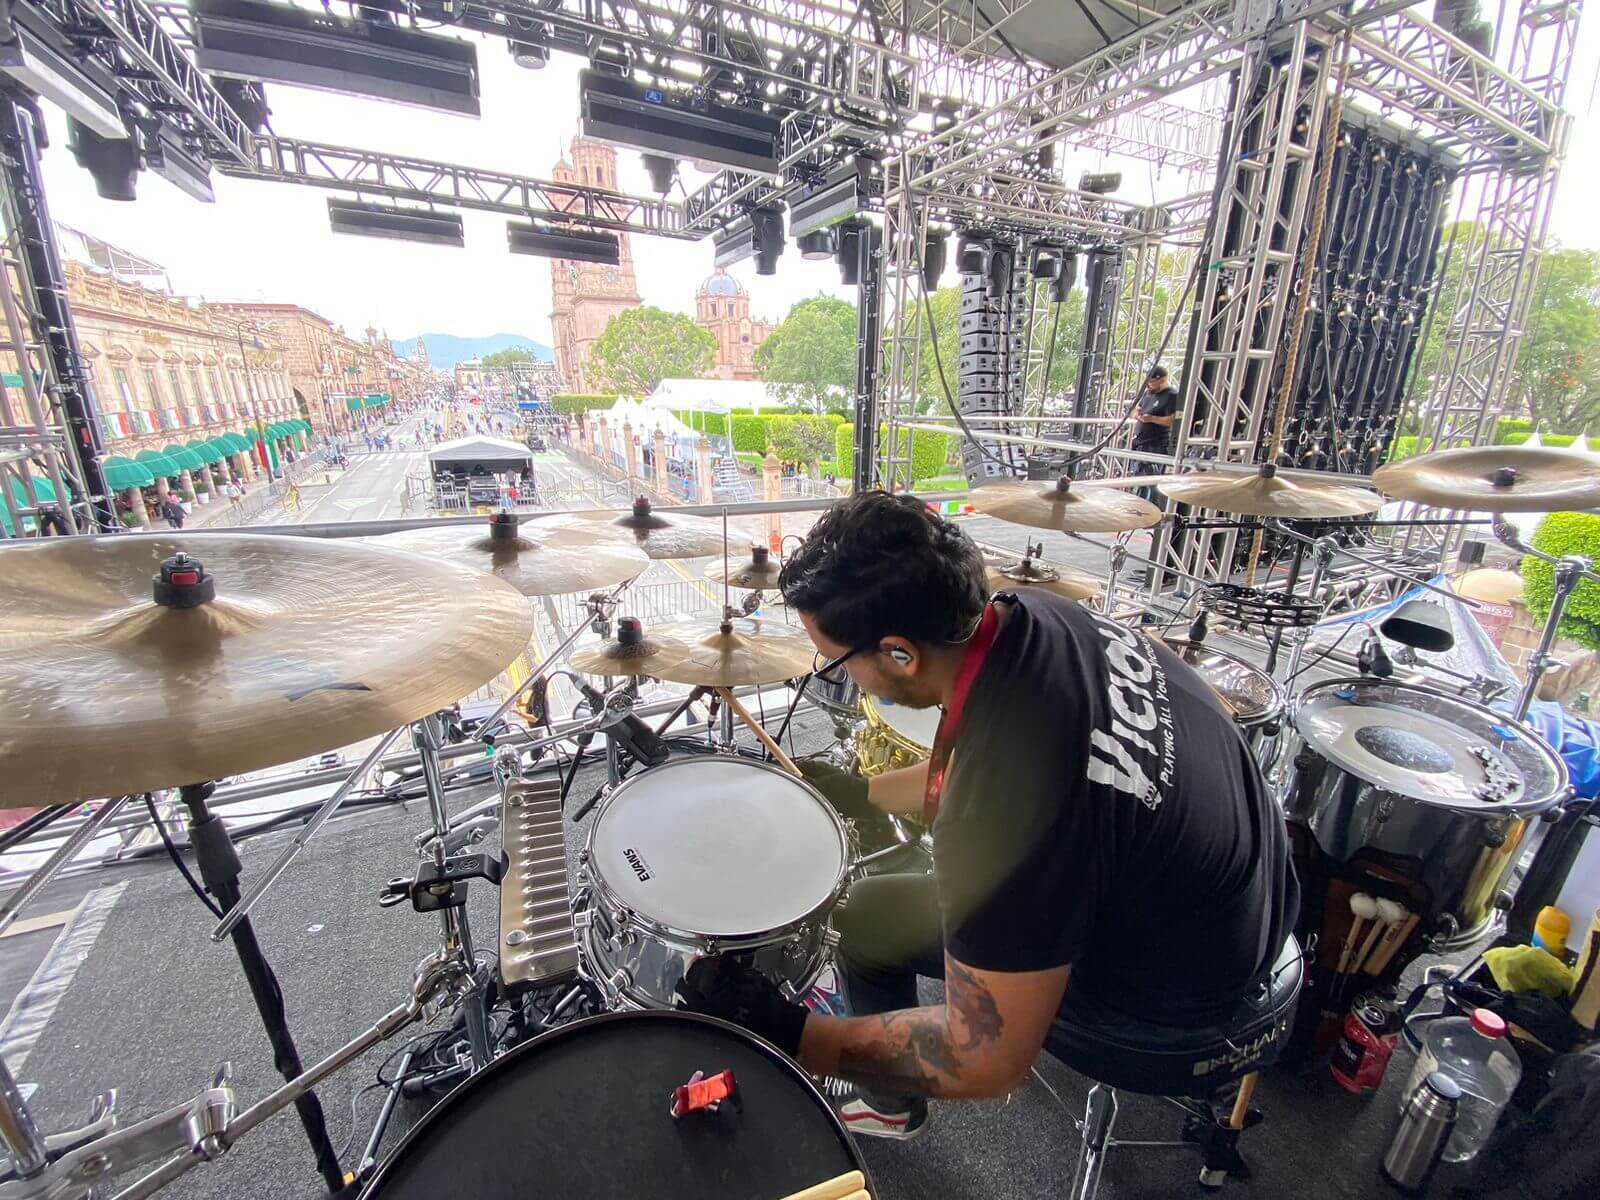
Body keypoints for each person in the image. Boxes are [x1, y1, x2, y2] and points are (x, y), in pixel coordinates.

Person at [676, 492, 1297, 1138]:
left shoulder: (999, 805)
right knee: (869, 913)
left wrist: (791, 1031)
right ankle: (890, 1102)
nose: (843, 678)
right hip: (1246, 899)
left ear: (898, 654)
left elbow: (986, 1058)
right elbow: (982, 773)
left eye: (836, 662)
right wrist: (867, 792)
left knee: (873, 929)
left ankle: (885, 1100)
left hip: (1181, 1000)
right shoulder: (1037, 621)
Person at [1130, 365, 1180, 496]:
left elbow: (1172, 420)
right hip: (1141, 443)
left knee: (1152, 484)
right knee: (1138, 481)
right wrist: (1138, 414)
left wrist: (1152, 418)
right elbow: (1137, 410)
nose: (1148, 386)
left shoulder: (1171, 396)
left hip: (1156, 445)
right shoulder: (1148, 394)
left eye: (1151, 382)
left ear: (1162, 380)